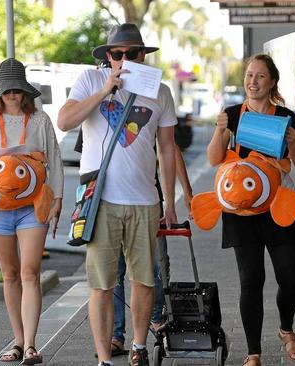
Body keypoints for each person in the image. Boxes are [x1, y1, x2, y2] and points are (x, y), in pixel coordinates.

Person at [57, 23, 178, 366]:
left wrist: (169, 202)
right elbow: (65, 121)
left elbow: (167, 149)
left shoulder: (161, 91)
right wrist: (106, 89)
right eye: (117, 54)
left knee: (144, 279)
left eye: (132, 53)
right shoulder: (91, 81)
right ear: (107, 57)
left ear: (143, 54)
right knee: (102, 283)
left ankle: (139, 347)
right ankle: (104, 357)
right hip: (101, 200)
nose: (125, 59)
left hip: (144, 200)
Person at [206, 54, 295, 366]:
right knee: (251, 280)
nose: (253, 81)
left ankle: (286, 329)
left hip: (279, 207)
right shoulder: (232, 115)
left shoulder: (287, 117)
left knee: (291, 279)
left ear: (272, 81)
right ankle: (253, 353)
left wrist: (293, 142)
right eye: (249, 75)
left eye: (260, 76)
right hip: (242, 212)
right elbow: (213, 159)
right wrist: (218, 129)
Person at [0, 58, 64, 365]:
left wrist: (57, 199)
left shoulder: (39, 120)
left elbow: (55, 159)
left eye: (17, 90)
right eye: (7, 90)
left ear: (25, 92)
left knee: (30, 272)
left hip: (33, 206)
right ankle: (18, 342)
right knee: (9, 275)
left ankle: (32, 345)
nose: (12, 96)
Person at [111, 144, 193, 355]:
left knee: (155, 269)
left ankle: (156, 320)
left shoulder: (147, 110)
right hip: (108, 204)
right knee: (113, 274)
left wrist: (186, 192)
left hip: (148, 203)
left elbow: (171, 149)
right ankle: (115, 336)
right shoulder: (100, 112)